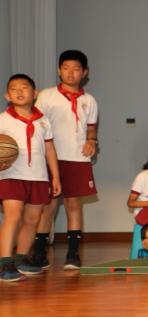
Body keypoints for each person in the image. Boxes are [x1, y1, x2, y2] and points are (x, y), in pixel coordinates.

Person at [33, 50, 98, 270]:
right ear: (59, 70)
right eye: (66, 68)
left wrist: (92, 141)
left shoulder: (89, 100)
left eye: (76, 68)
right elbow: (35, 125)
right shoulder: (46, 96)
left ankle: (73, 254)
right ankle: (39, 253)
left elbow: (91, 128)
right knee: (49, 205)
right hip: (50, 157)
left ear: (85, 72)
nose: (71, 73)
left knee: (73, 204)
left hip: (78, 158)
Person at [0, 74, 61, 282]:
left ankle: (21, 258)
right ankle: (4, 262)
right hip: (11, 175)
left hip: (39, 176)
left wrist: (55, 177)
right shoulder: (3, 119)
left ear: (35, 93)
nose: (19, 91)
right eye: (14, 88)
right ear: (7, 96)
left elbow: (50, 149)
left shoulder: (43, 120)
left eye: (24, 87)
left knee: (32, 220)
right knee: (13, 216)